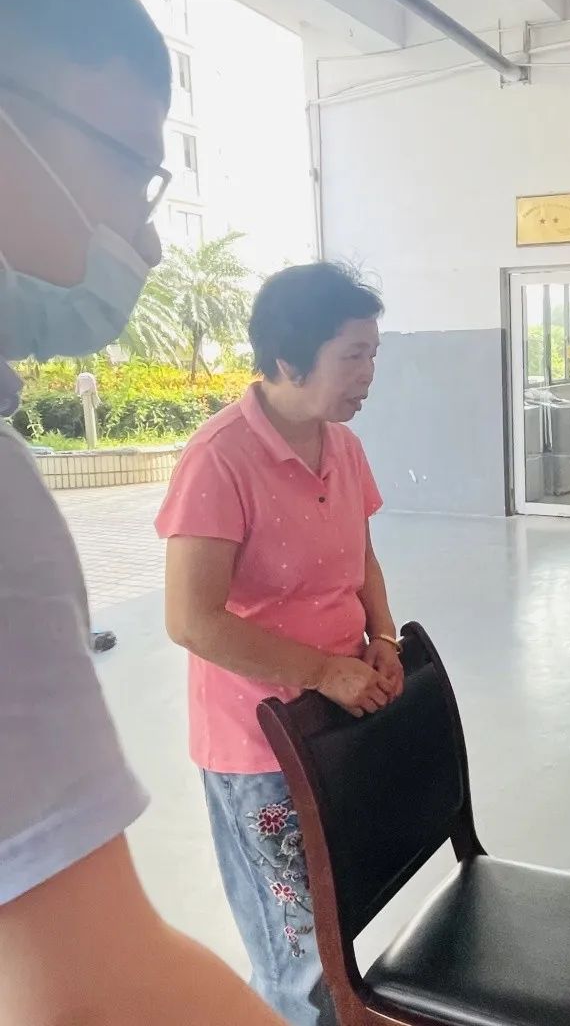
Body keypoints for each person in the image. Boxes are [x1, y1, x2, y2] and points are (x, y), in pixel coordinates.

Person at [0, 0, 288, 1023]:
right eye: (133, 166)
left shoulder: (342, 455)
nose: (148, 235)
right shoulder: (218, 457)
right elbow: (89, 988)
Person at [157, 262, 401, 1025]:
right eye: (352, 356)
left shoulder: (342, 446)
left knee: (334, 918)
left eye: (372, 354)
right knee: (295, 947)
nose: (368, 374)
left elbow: (361, 553)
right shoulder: (219, 458)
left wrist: (382, 634)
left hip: (336, 716)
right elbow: (191, 620)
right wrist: (321, 670)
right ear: (290, 360)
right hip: (259, 745)